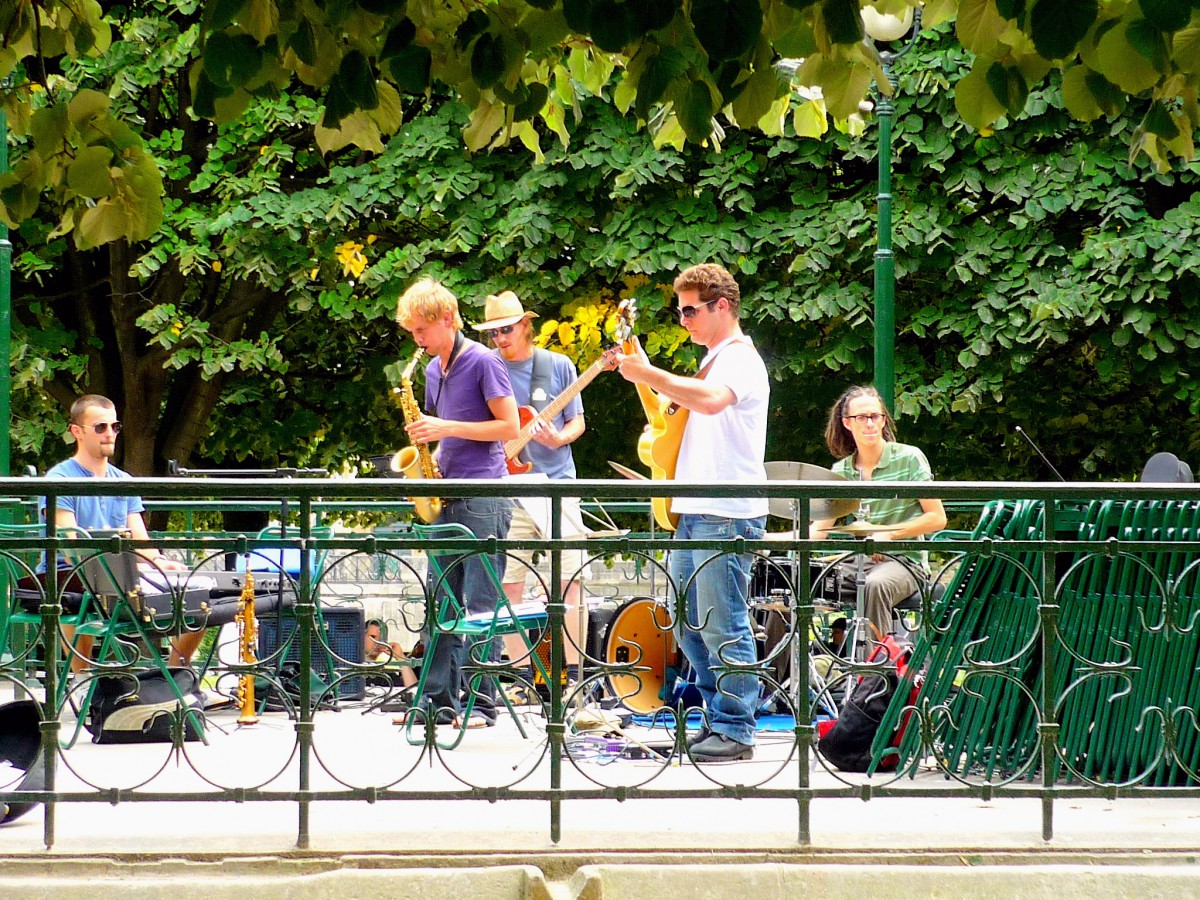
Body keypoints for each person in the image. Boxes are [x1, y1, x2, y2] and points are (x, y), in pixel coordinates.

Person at [615, 263, 769, 763]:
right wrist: (643, 374)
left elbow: (708, 403)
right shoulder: (713, 360)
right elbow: (672, 418)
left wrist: (650, 372)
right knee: (688, 624)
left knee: (723, 623)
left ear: (721, 306)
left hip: (725, 513)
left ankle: (736, 729)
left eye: (690, 309)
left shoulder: (738, 360)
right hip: (697, 511)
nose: (683, 320)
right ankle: (716, 718)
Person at [394, 278, 519, 728]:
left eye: (421, 330)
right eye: (412, 332)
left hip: (485, 495)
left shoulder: (484, 361)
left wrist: (443, 428)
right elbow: (439, 430)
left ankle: (481, 703)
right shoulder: (430, 371)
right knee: (441, 603)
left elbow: (508, 427)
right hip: (447, 494)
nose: (417, 340)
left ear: (447, 319)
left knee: (481, 604)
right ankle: (434, 701)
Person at [40, 395, 203, 672]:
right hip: (68, 576)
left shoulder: (123, 481)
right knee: (83, 585)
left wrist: (161, 565)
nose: (109, 434)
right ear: (76, 432)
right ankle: (81, 681)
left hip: (121, 576)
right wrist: (132, 564)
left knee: (200, 597)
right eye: (100, 427)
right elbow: (72, 551)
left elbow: (142, 545)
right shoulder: (60, 479)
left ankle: (176, 679)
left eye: (114, 427)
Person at [477, 291, 590, 680]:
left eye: (506, 329)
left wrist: (557, 439)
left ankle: (573, 677)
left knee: (571, 581)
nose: (500, 339)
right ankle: (521, 678)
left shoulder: (556, 365)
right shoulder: (486, 368)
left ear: (526, 325)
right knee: (508, 585)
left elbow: (577, 422)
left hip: (557, 484)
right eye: (493, 333)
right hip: (508, 488)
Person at [809, 385, 947, 639]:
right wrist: (767, 540)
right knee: (791, 582)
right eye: (862, 417)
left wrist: (890, 536)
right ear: (847, 423)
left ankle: (876, 674)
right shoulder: (842, 471)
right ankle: (779, 675)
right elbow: (818, 531)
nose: (870, 423)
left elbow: (937, 517)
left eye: (876, 416)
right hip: (859, 562)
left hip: (905, 562)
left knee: (875, 585)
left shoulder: (909, 458)